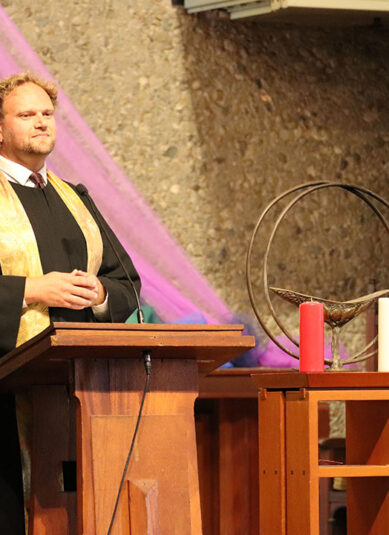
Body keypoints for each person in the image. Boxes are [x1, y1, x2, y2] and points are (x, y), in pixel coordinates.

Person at [0, 72, 141, 534]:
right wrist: (29, 291)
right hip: (8, 387)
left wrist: (100, 294)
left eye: (47, 114)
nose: (42, 124)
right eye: (26, 115)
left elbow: (127, 283)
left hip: (78, 388)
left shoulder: (74, 197)